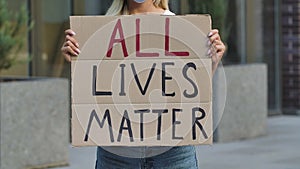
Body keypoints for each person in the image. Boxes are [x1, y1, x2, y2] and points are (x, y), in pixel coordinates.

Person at [61, 0, 226, 168]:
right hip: (117, 154)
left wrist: (211, 63)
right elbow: (94, 90)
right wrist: (77, 62)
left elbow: (192, 90)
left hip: (173, 153)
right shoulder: (105, 28)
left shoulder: (180, 26)